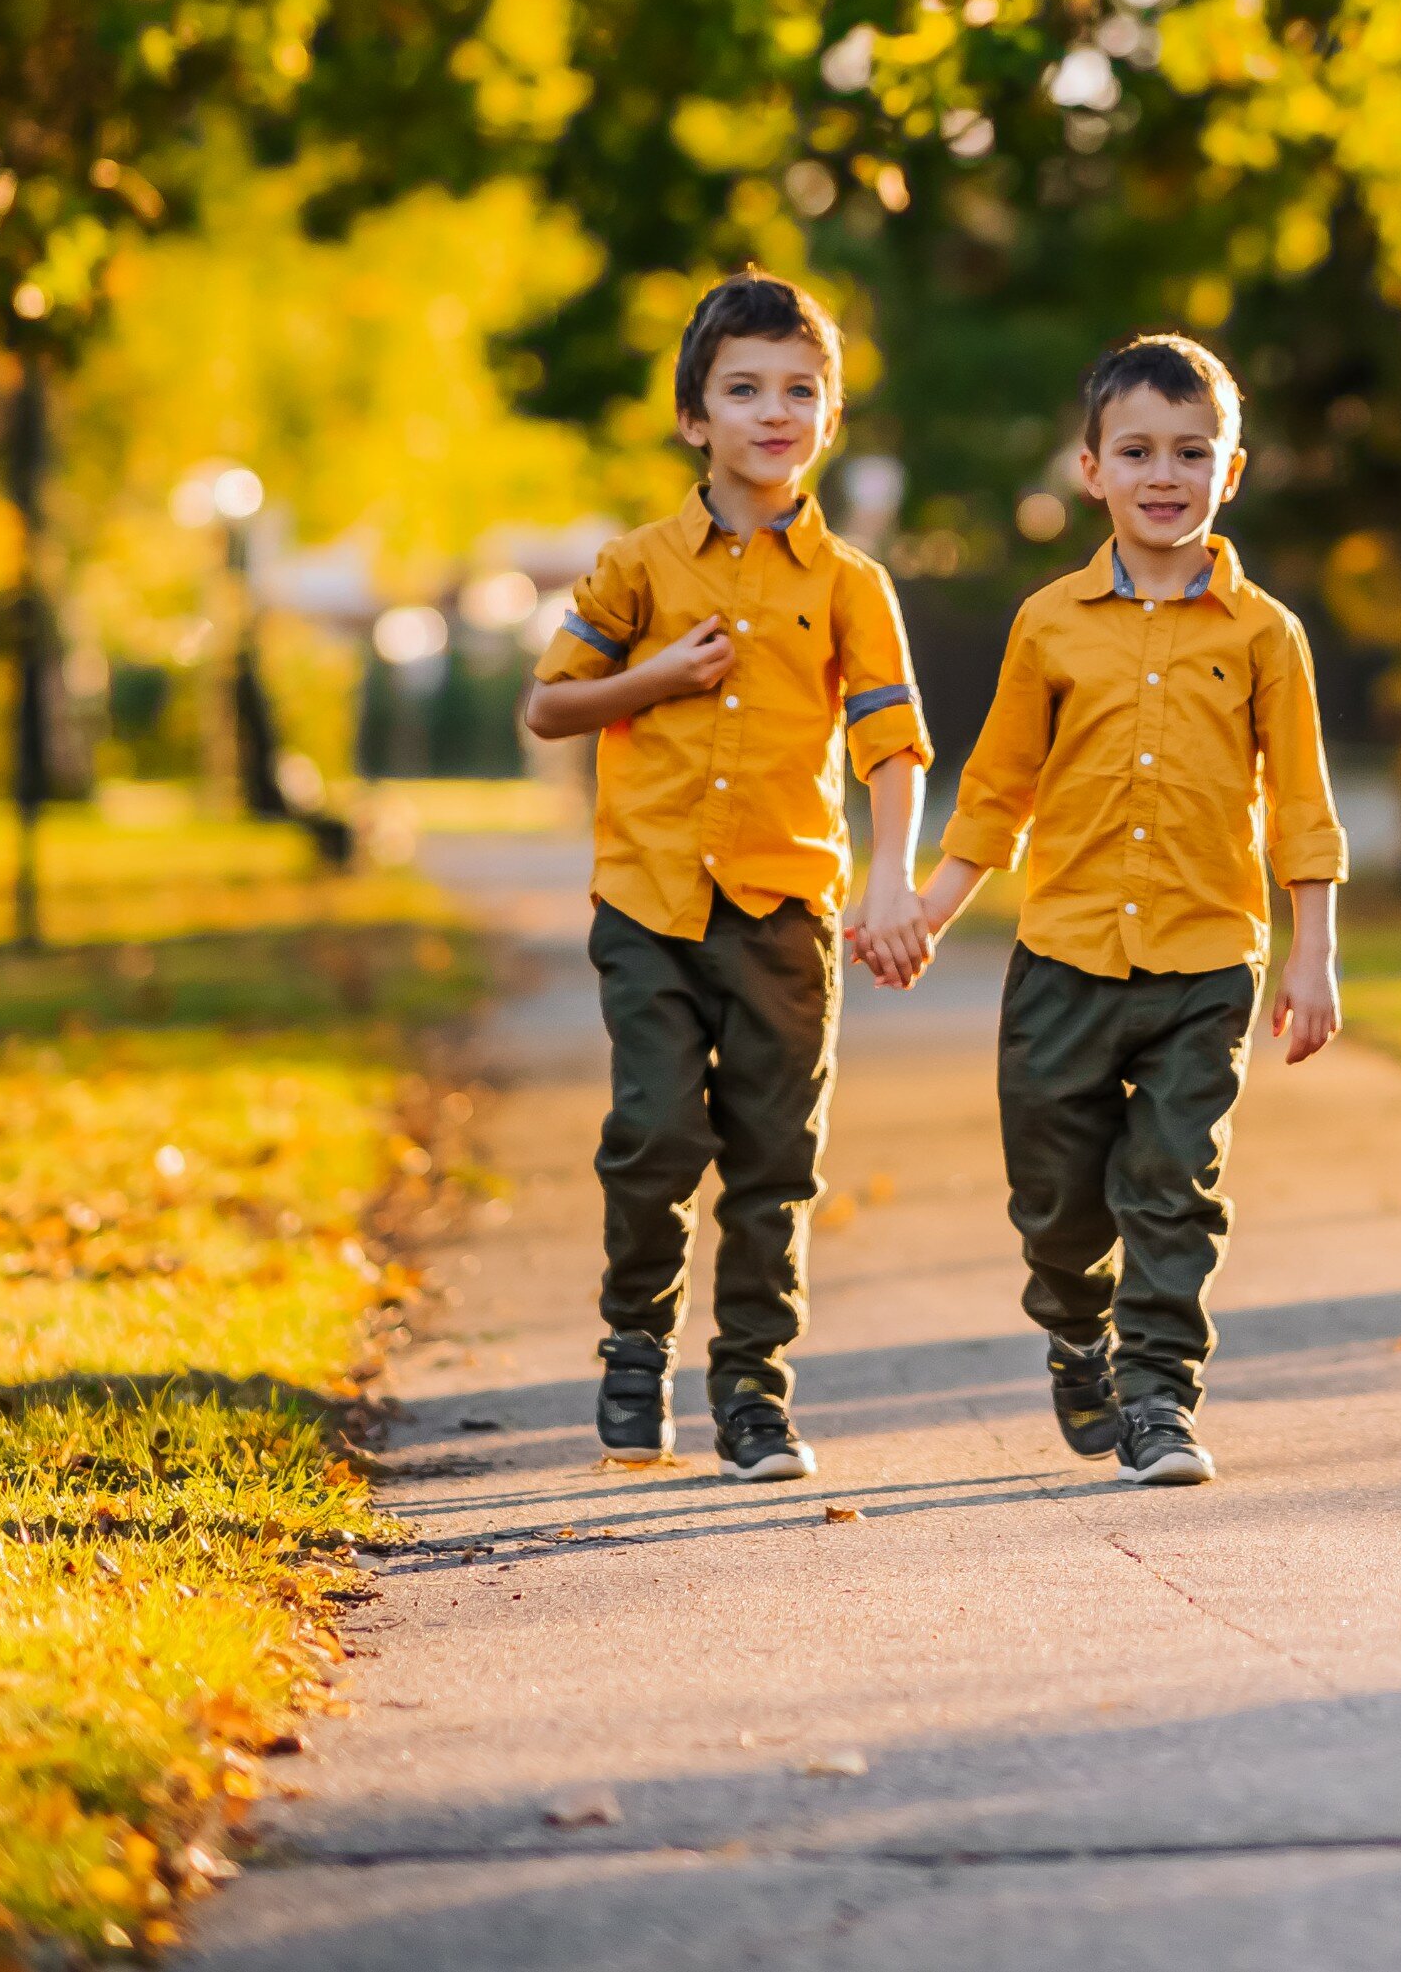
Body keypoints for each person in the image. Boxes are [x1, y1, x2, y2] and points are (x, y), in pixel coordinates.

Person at [857, 331, 1344, 1488]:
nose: (1162, 473)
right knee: (1056, 1204)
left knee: (1175, 1187)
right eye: (1136, 450)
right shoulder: (1048, 622)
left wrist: (1313, 951)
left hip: (1204, 961)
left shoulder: (1264, 633)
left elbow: (1302, 805)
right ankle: (1078, 1333)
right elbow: (999, 789)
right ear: (1090, 470)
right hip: (1063, 957)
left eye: (1190, 451)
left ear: (1230, 471)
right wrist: (928, 908)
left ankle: (1160, 1398)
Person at [521, 267, 930, 1482]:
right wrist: (653, 680)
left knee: (772, 1157)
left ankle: (753, 1390)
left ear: (829, 415)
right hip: (647, 899)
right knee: (654, 1130)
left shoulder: (850, 584)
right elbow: (549, 705)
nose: (773, 411)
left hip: (783, 907)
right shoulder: (638, 565)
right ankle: (634, 1347)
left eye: (799, 389)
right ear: (694, 417)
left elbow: (891, 743)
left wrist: (892, 878)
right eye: (743, 389)